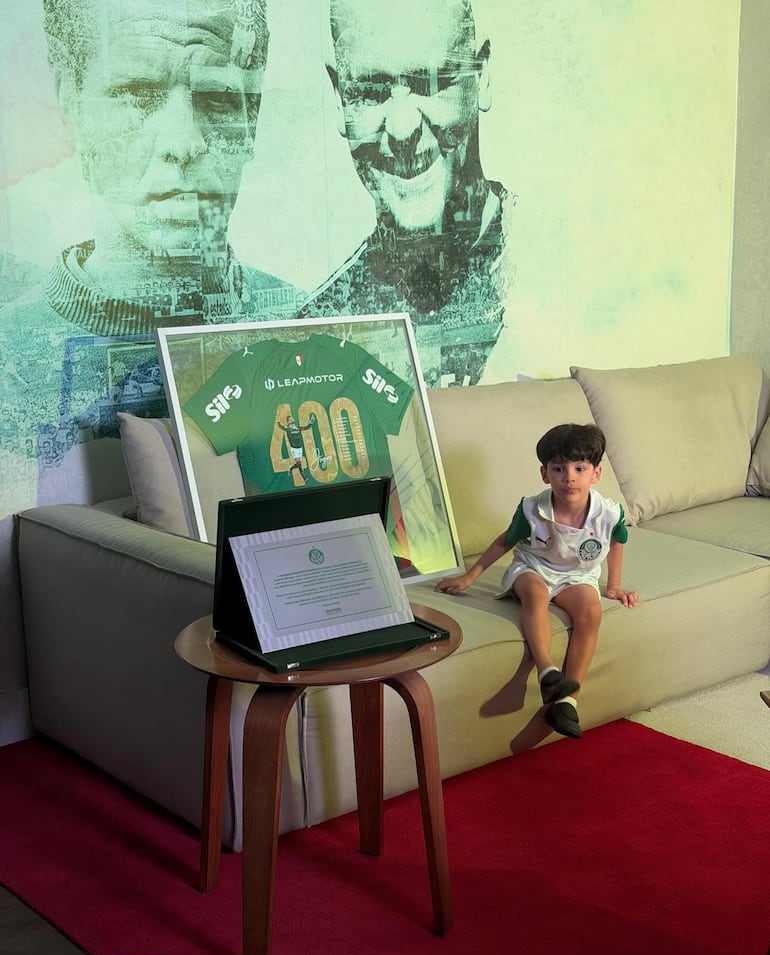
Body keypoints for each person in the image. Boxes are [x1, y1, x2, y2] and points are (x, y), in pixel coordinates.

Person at [0, 0, 306, 516]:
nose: (183, 142)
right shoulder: (9, 356)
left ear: (252, 115)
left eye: (217, 97)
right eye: (138, 94)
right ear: (69, 99)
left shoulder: (307, 325)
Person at [301, 0, 511, 388]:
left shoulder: (561, 274)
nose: (401, 129)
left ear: (481, 77)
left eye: (429, 82)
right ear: (339, 97)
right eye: (370, 91)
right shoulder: (317, 333)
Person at [436, 423, 638, 739]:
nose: (569, 477)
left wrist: (614, 584)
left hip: (577, 575)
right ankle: (548, 671)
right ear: (545, 474)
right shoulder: (532, 509)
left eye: (579, 468)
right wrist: (470, 576)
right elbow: (505, 542)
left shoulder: (609, 513)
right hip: (534, 567)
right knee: (535, 595)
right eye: (558, 469)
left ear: (595, 474)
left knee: (591, 613)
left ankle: (569, 700)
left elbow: (617, 541)